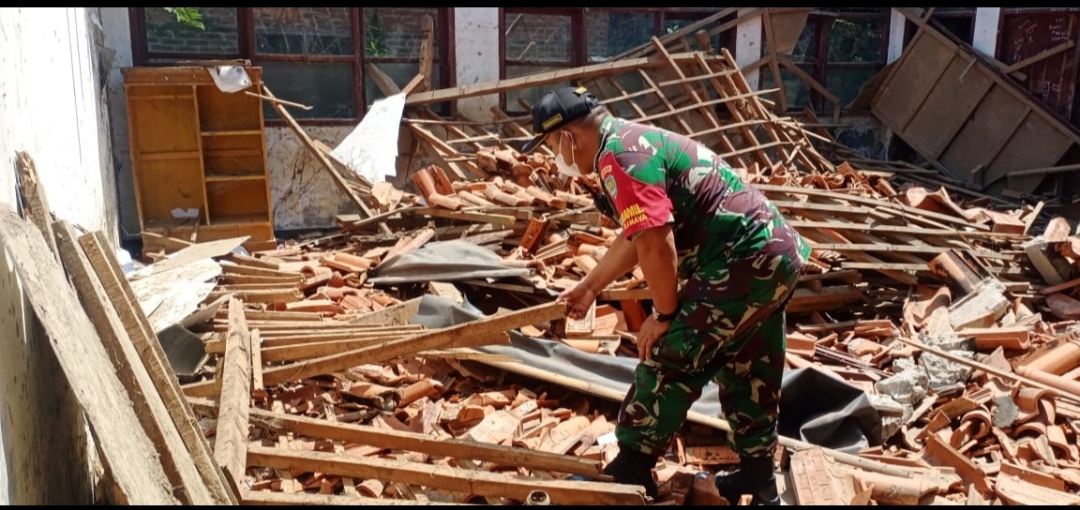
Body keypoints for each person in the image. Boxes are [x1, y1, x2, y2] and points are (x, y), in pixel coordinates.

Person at [520, 86, 811, 505]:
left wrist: (665, 314)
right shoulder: (630, 141)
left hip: (740, 260)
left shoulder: (618, 157)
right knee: (750, 362)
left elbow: (657, 247)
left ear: (569, 137)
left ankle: (632, 469)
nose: (556, 158)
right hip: (774, 254)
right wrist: (590, 287)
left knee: (670, 357)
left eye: (552, 146)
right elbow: (636, 236)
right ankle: (758, 476)